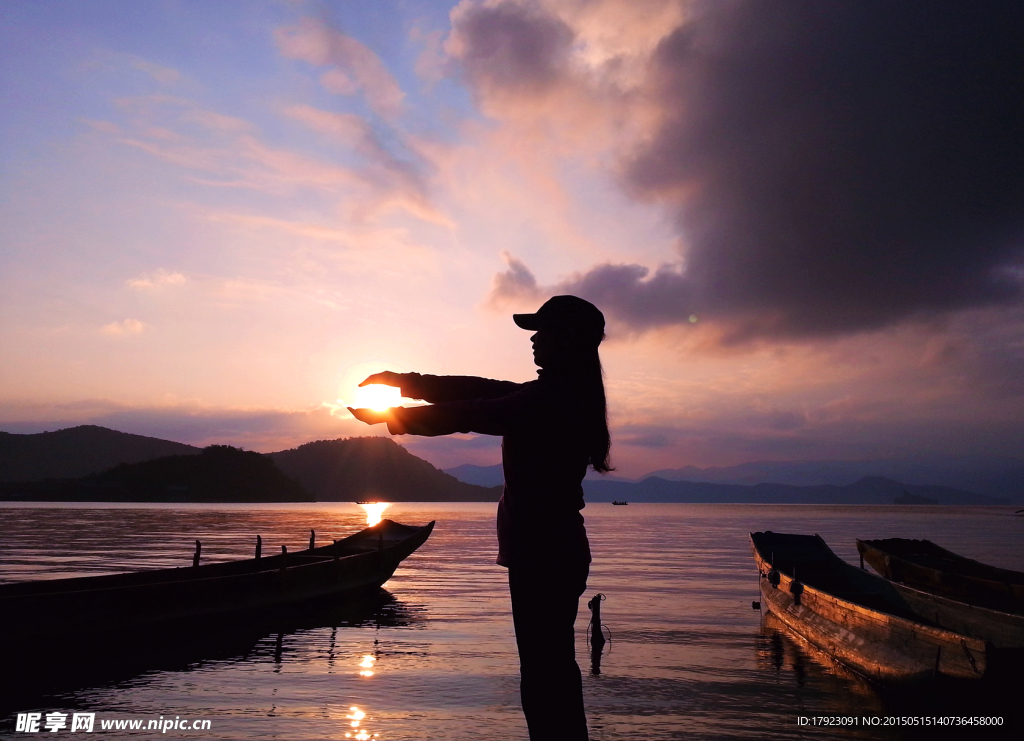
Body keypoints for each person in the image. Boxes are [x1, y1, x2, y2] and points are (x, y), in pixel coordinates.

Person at [348, 295, 612, 741]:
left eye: (541, 329)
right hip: (551, 550)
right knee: (549, 672)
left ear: (567, 338)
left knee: (544, 677)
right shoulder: (561, 392)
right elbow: (478, 388)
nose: (533, 338)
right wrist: (406, 383)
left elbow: (474, 411)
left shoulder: (551, 398)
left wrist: (393, 416)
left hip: (544, 554)